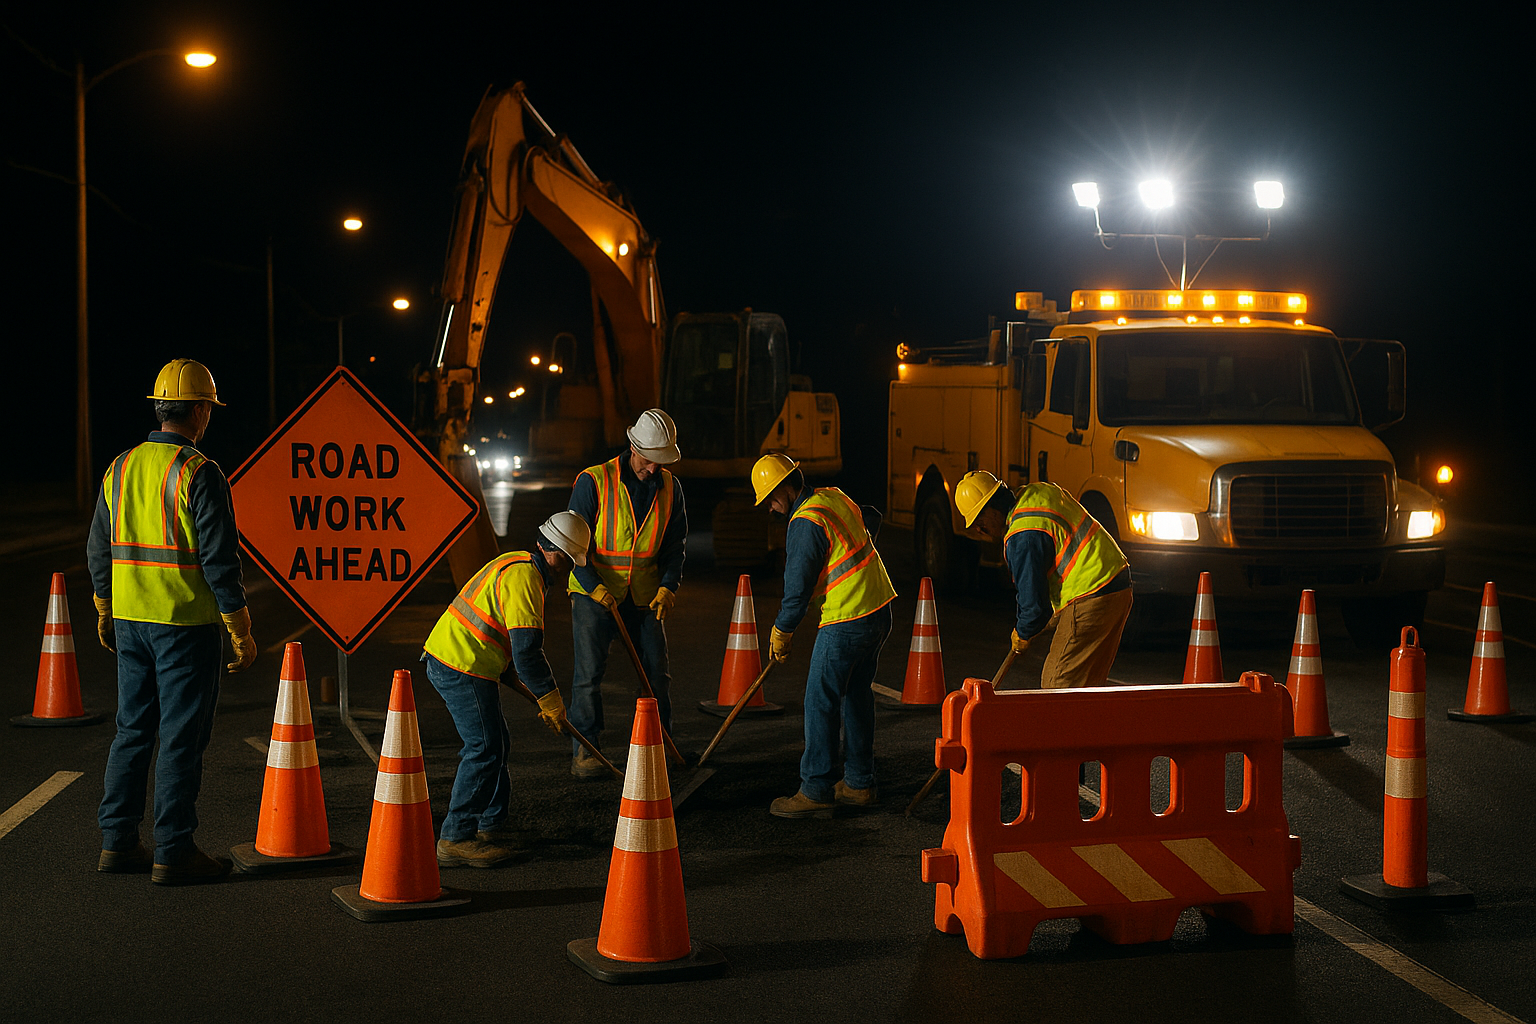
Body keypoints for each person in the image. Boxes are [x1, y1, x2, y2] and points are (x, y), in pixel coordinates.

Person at [88, 358, 256, 885]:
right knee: (181, 739)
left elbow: (98, 549)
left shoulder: (120, 467)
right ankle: (173, 852)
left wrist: (104, 608)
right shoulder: (199, 472)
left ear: (159, 408)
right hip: (185, 625)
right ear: (201, 411)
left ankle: (117, 844)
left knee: (132, 732)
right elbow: (220, 561)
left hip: (133, 621)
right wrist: (240, 628)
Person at [421, 512, 590, 867]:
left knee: (496, 742)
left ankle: (491, 822)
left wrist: (508, 671)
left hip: (464, 657)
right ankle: (456, 837)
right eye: (571, 563)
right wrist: (552, 700)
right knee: (484, 747)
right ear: (557, 554)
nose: (569, 572)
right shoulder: (527, 579)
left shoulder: (515, 560)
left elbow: (500, 628)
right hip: (461, 663)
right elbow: (528, 648)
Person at [752, 454, 896, 818]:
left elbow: (797, 587)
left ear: (788, 486)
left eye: (771, 497)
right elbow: (872, 516)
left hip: (847, 618)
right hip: (879, 608)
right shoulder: (833, 497)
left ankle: (815, 789)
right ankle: (860, 783)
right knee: (856, 694)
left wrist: (782, 630)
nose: (771, 507)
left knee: (820, 699)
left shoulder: (804, 522)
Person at [565, 409, 688, 777]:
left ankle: (658, 745)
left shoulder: (671, 488)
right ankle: (586, 751)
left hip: (645, 596)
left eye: (661, 462)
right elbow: (573, 543)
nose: (654, 469)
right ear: (632, 446)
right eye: (650, 460)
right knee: (588, 676)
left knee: (655, 675)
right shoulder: (594, 481)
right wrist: (594, 587)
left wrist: (668, 587)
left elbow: (675, 546)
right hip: (593, 593)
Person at [955, 470, 1132, 689]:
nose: (981, 530)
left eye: (980, 522)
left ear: (992, 507)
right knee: (1087, 686)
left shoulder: (1022, 536)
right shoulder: (1036, 494)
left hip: (1091, 593)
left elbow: (1033, 606)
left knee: (1057, 683)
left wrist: (1022, 633)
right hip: (1116, 582)